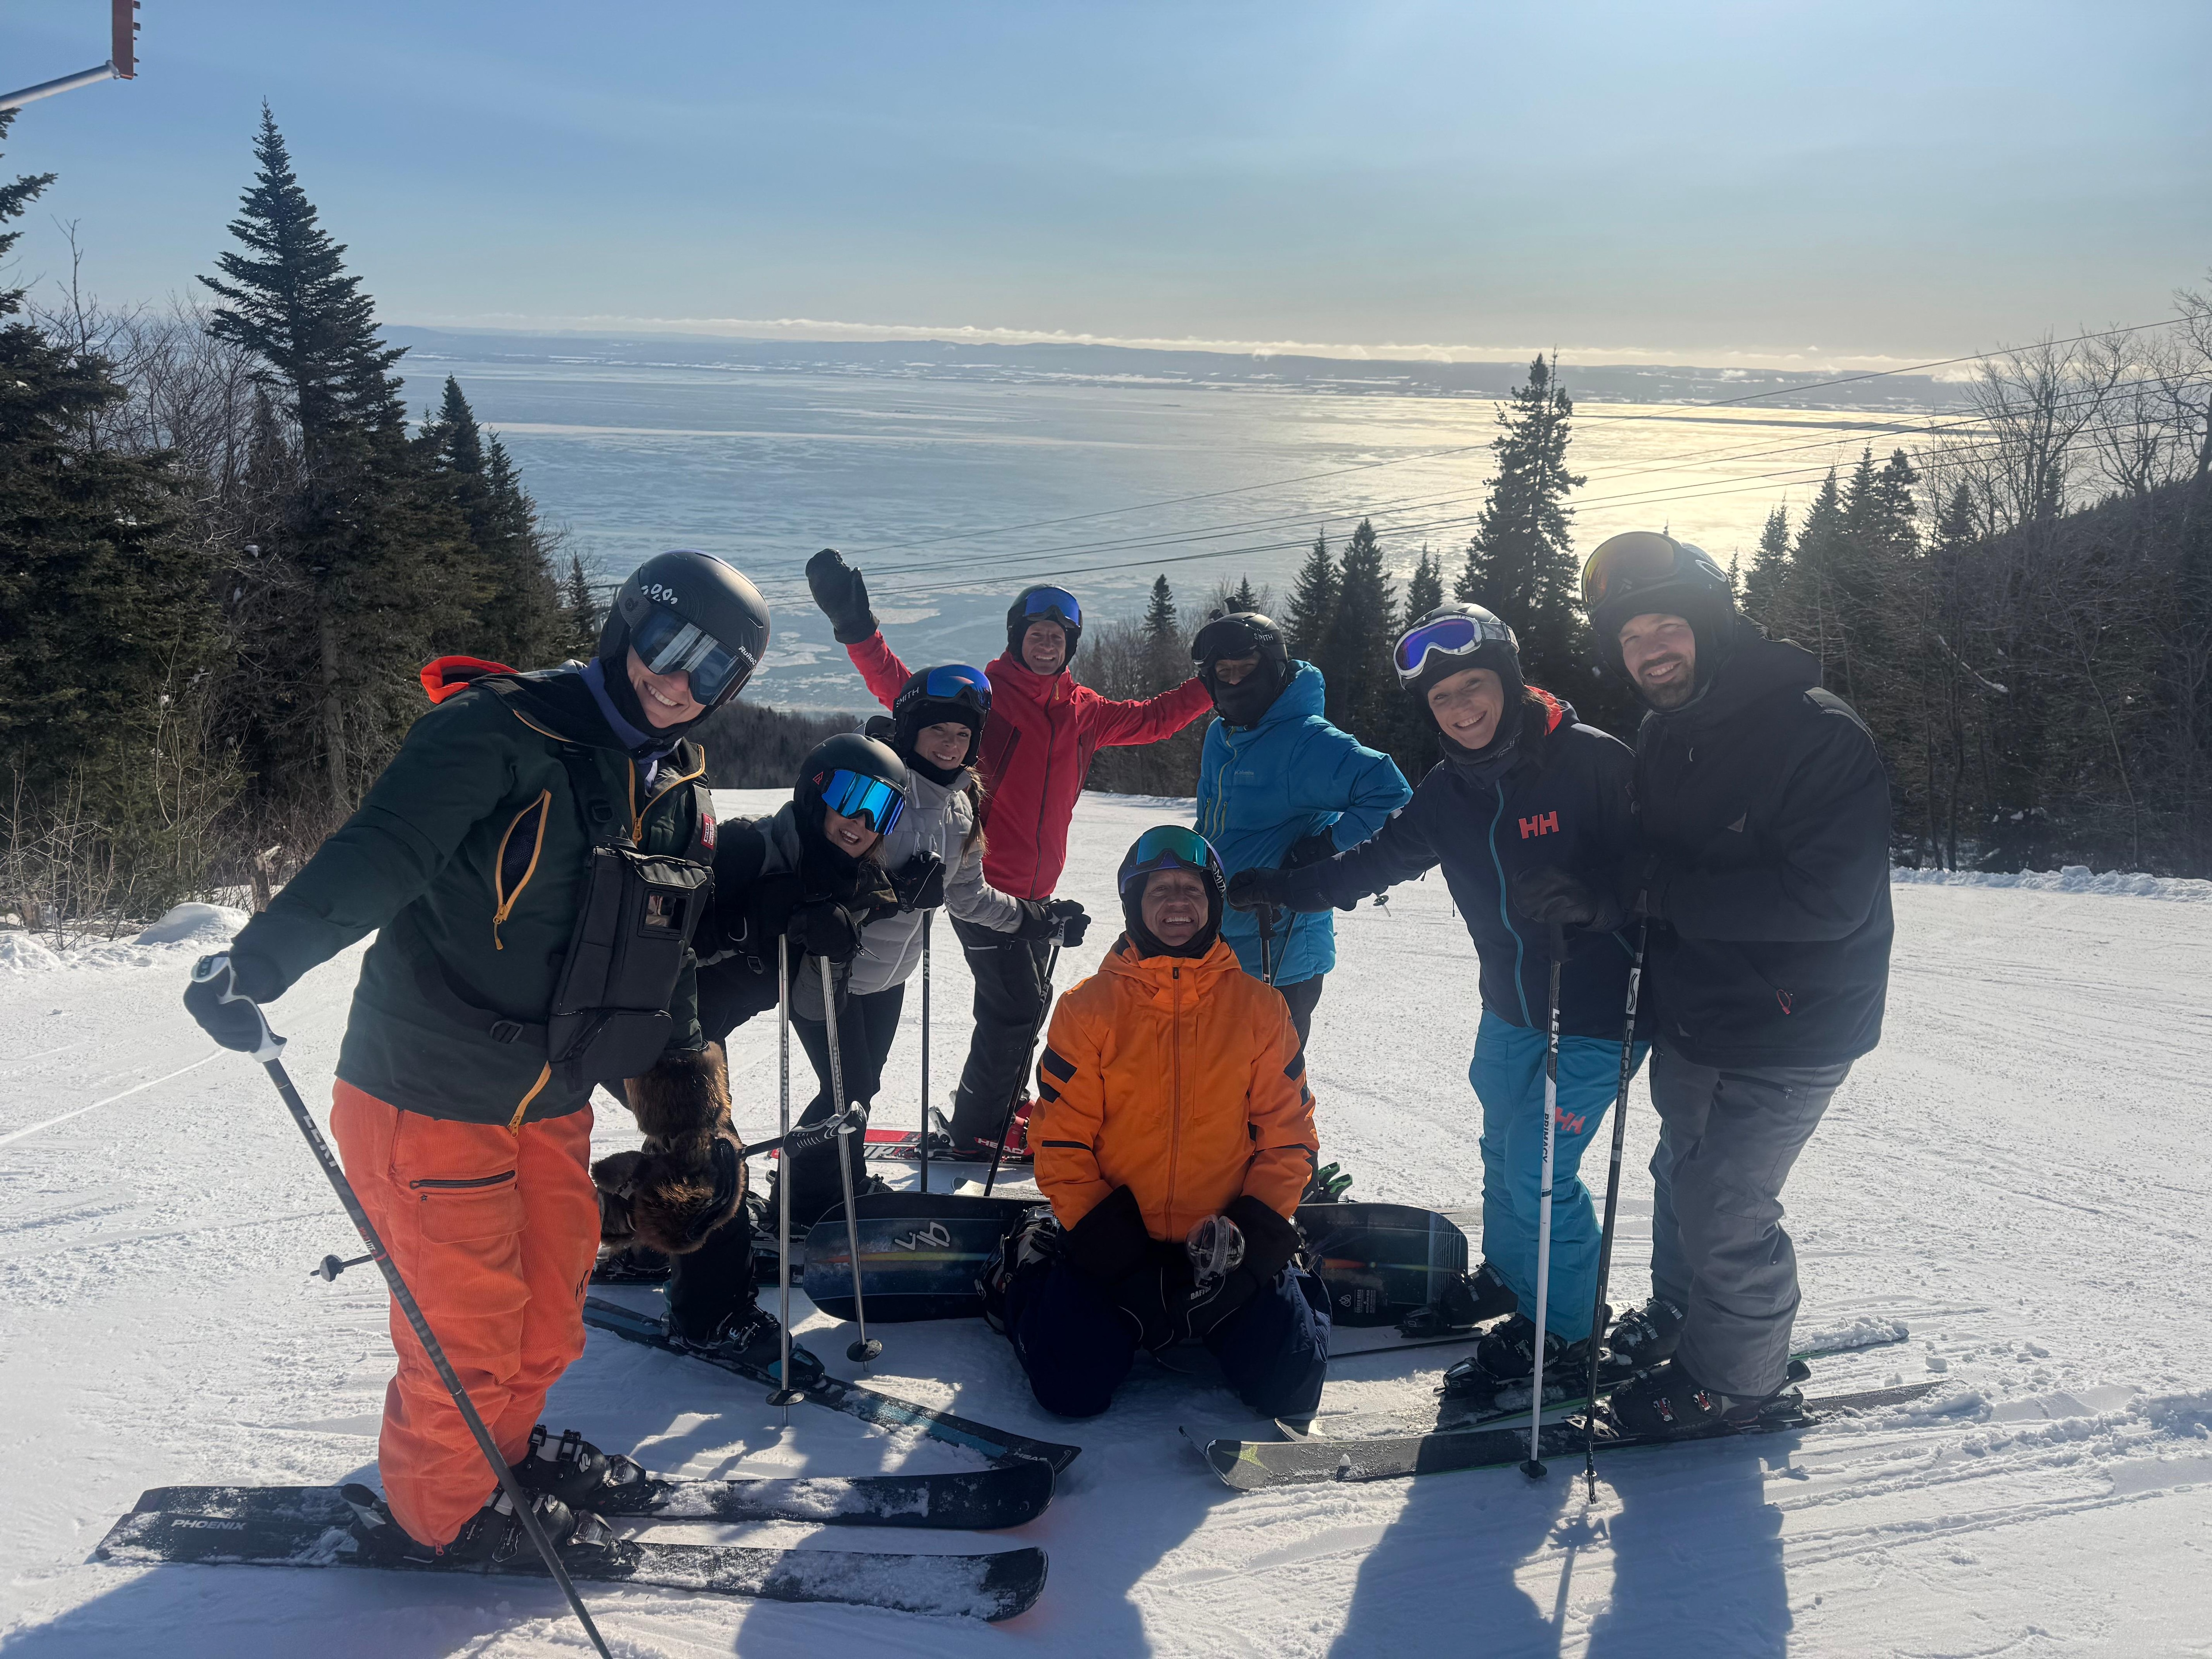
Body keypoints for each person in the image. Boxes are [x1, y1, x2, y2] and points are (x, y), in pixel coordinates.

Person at [183, 550, 768, 1562]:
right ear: (629, 625)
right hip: (429, 1088)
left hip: (549, 1098)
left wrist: (688, 1120)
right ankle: (442, 1513)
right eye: (670, 648)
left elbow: (663, 958)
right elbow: (382, 849)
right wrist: (262, 961)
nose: (678, 682)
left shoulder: (673, 789)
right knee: (467, 1327)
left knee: (549, 1310)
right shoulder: (499, 730)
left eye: (712, 673)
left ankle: (497, 1452)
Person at [1228, 603, 1644, 1387]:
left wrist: (1598, 903)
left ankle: (1570, 1331)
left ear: (1510, 682)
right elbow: (1373, 862)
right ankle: (1514, 1278)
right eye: (1442, 699)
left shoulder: (1593, 763)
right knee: (1503, 1153)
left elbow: (1663, 872)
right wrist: (1284, 888)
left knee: (1541, 1170)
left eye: (1475, 687)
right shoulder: (1450, 792)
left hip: (1593, 1013)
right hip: (1511, 1007)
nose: (1461, 708)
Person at [1574, 530, 1893, 1438]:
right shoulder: (1666, 728)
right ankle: (1684, 1316)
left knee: (1726, 1202)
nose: (1649, 653)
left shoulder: (1813, 729)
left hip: (1795, 1021)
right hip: (1698, 1007)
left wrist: (1656, 893)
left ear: (1710, 624)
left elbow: (1829, 901)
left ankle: (1737, 1382)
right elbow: (1654, 855)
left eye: (1666, 628)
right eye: (1632, 639)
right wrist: (1605, 892)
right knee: (1682, 1171)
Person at [805, 549, 1212, 1153]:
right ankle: (979, 1127)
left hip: (1039, 889)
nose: (1045, 644)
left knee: (1028, 1002)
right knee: (1015, 1007)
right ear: (1017, 638)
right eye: (1035, 633)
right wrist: (857, 631)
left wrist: (1214, 681)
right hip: (983, 883)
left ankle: (997, 1103)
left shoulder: (1086, 712)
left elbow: (1156, 719)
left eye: (1057, 636)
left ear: (1070, 644)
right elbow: (903, 689)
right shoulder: (988, 696)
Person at [1004, 825, 1329, 1419]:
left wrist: (1254, 1247)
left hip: (1225, 1241)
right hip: (1117, 1237)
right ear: (1133, 903)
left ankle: (1294, 1274)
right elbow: (1059, 1139)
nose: (1177, 903)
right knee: (1069, 1390)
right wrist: (1120, 1260)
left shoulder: (1261, 1008)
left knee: (1291, 1388)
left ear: (1213, 902)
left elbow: (1289, 1136)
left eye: (1192, 889)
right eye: (1158, 890)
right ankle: (1032, 1262)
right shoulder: (1088, 1007)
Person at [1190, 610, 1410, 1041]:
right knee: (1213, 1084)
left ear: (1271, 669)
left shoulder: (1306, 740)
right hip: (1219, 939)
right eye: (1223, 672)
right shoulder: (1221, 735)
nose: (1233, 682)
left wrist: (1320, 850)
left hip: (1279, 945)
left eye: (1245, 669)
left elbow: (1393, 796)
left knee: (1268, 1093)